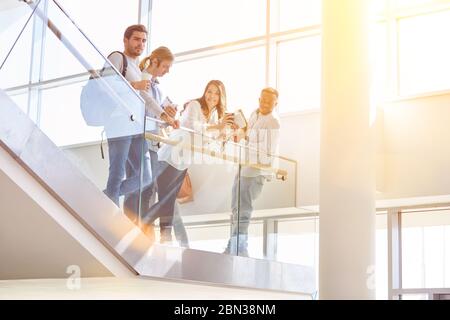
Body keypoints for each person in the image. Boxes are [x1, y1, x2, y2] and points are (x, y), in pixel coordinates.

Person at [142, 80, 234, 243]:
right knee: (166, 200)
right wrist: (216, 127)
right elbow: (189, 126)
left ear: (221, 97)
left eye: (216, 93)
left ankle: (164, 237)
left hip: (184, 161)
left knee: (168, 201)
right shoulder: (194, 105)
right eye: (209, 91)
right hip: (171, 156)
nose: (212, 96)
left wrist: (222, 133)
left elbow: (205, 139)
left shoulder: (213, 115)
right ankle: (145, 224)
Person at [103, 24, 177, 222]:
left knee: (146, 176)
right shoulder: (118, 58)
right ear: (126, 40)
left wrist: (165, 116)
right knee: (117, 173)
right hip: (119, 123)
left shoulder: (137, 67)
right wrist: (134, 85)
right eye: (136, 39)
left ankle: (105, 196)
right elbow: (105, 84)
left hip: (136, 127)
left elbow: (146, 98)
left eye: (143, 40)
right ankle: (112, 216)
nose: (140, 44)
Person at [224, 87, 280, 257]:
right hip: (243, 166)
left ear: (275, 103)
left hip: (255, 170)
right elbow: (248, 136)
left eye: (269, 101)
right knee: (235, 208)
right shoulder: (254, 114)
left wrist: (246, 139)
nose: (264, 103)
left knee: (243, 209)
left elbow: (267, 151)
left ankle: (240, 247)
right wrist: (241, 132)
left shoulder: (273, 121)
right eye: (262, 99)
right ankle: (232, 246)